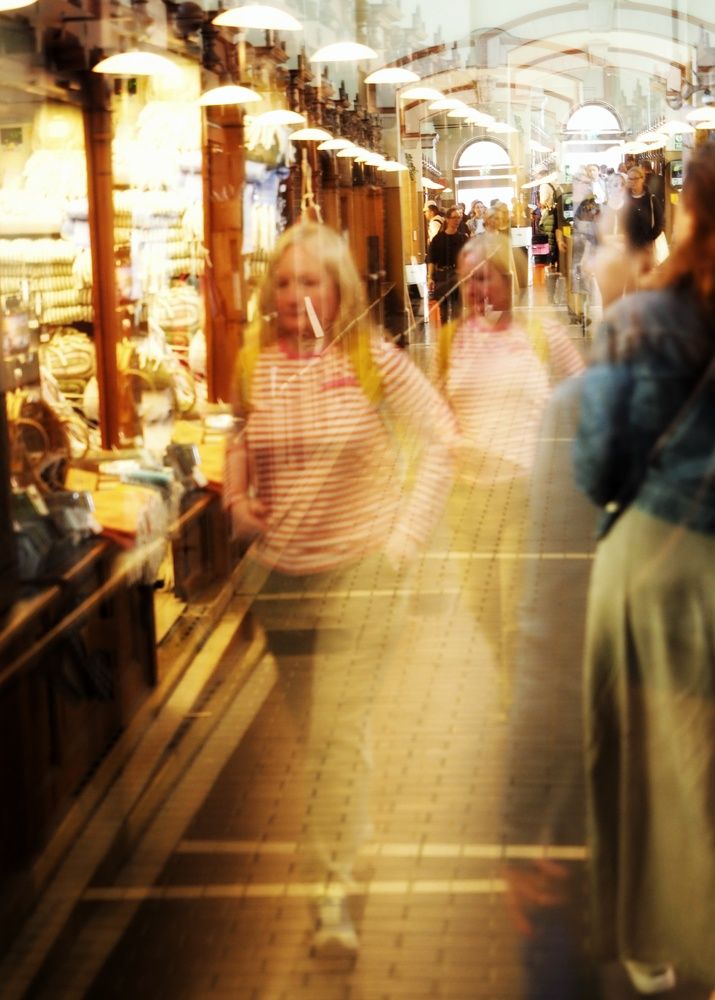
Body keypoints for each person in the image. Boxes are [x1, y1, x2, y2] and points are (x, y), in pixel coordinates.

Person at [224, 221, 457, 959]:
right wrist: (236, 502)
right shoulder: (254, 361)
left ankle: (332, 893)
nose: (295, 296)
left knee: (334, 734)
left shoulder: (368, 358)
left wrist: (402, 543)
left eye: (310, 282)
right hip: (281, 583)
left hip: (361, 576)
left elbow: (441, 437)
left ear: (339, 290)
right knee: (319, 734)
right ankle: (352, 823)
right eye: (283, 282)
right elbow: (239, 438)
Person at [573, 141, 715, 996]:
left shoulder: (638, 320)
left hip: (656, 565)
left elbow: (597, 467)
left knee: (637, 761)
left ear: (687, 210)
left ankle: (655, 946)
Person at [435, 234, 583, 712]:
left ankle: (517, 697)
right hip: (468, 500)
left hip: (526, 493)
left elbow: (586, 392)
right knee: (481, 604)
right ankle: (510, 669)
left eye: (484, 278)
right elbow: (439, 414)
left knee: (516, 603)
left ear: (508, 277)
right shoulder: (452, 340)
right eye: (467, 282)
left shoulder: (540, 333)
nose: (476, 291)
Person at [427, 206, 468, 324]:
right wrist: (430, 277)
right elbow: (432, 259)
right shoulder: (438, 239)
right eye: (454, 217)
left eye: (459, 217)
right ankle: (446, 333)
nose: (457, 220)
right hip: (442, 275)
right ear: (447, 219)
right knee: (443, 312)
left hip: (457, 275)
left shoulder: (462, 238)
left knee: (457, 311)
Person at [622, 163, 664, 266]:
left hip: (646, 247)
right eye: (630, 179)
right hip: (629, 247)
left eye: (636, 178)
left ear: (642, 179)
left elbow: (660, 223)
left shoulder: (651, 199)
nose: (633, 181)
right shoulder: (624, 199)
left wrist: (649, 240)